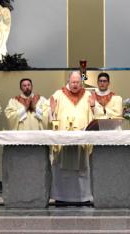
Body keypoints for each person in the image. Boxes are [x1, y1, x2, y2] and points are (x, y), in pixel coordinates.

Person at [49, 71, 93, 203]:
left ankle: (83, 197)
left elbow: (93, 115)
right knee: (62, 167)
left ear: (81, 82)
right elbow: (49, 113)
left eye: (78, 82)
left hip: (81, 139)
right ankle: (60, 197)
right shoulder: (59, 94)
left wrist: (93, 106)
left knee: (81, 166)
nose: (75, 85)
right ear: (68, 81)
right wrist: (51, 110)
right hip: (63, 138)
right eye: (73, 82)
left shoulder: (87, 94)